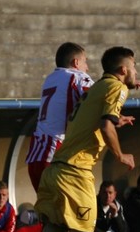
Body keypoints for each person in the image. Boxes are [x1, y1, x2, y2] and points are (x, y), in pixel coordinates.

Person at [31, 46, 140, 232]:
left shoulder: (96, 88)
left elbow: (94, 117)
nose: (136, 72)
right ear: (123, 70)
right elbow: (105, 124)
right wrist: (120, 155)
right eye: (134, 67)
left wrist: (118, 119)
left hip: (53, 168)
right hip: (76, 172)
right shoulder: (116, 87)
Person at [25, 42, 94, 193]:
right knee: (72, 206)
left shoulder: (50, 79)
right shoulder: (77, 76)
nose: (87, 67)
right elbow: (99, 98)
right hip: (55, 157)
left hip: (36, 156)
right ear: (76, 63)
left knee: (47, 206)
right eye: (85, 61)